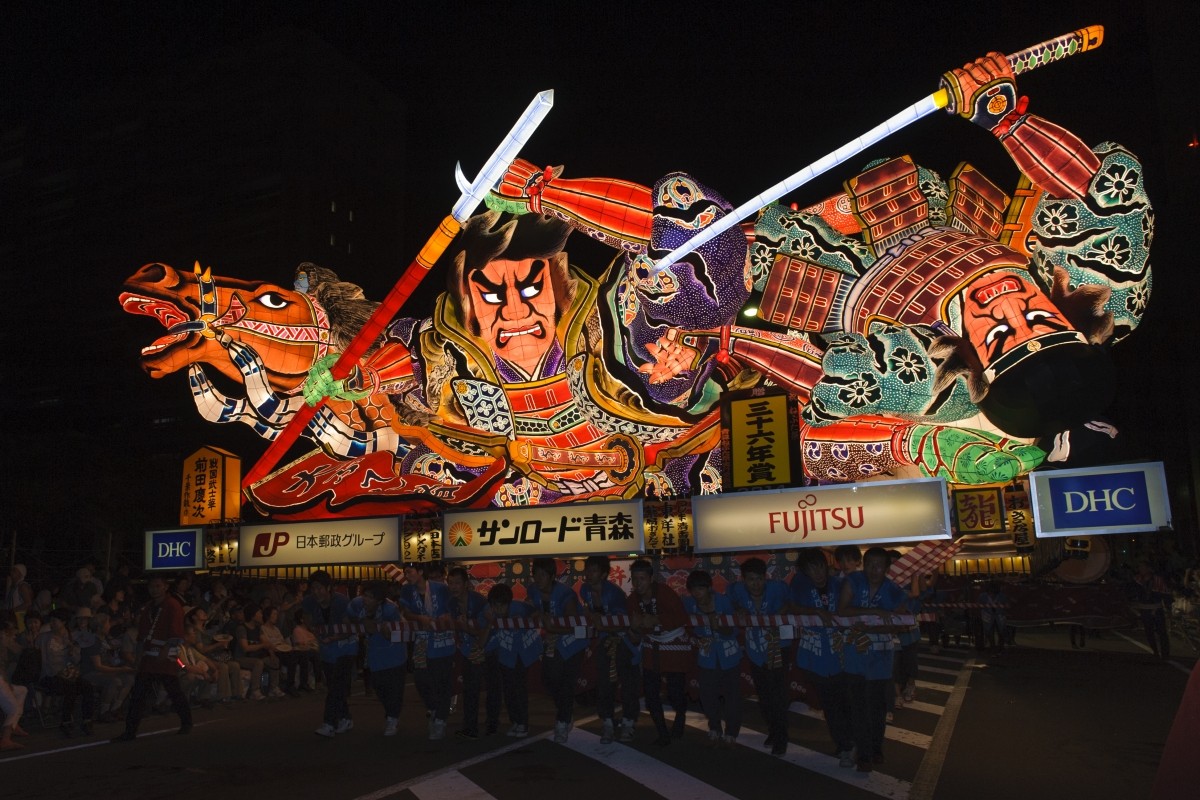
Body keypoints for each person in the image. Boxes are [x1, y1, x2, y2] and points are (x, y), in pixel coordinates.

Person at [839, 547, 910, 773]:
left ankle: (875, 748)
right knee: (858, 705)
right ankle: (865, 753)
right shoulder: (853, 581)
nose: (874, 570)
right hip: (855, 655)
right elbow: (842, 610)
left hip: (880, 656)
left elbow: (901, 622)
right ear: (864, 564)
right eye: (870, 564)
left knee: (877, 707)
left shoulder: (893, 590)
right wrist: (877, 614)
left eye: (879, 565)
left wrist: (873, 623)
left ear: (887, 568)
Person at [791, 547, 854, 768]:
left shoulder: (840, 585)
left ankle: (849, 742)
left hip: (844, 656)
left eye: (819, 566)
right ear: (804, 572)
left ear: (826, 566)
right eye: (811, 568)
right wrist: (816, 612)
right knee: (831, 706)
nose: (817, 572)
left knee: (847, 704)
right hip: (816, 658)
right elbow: (790, 608)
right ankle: (845, 746)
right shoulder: (800, 586)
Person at [111, 575, 191, 741]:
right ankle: (130, 731)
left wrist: (166, 650)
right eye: (151, 586)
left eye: (157, 586)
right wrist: (138, 658)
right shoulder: (148, 608)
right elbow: (142, 636)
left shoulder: (172, 606)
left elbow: (176, 632)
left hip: (165, 657)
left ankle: (187, 722)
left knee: (174, 691)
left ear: (165, 587)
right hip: (148, 658)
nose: (154, 589)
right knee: (139, 695)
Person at [728, 556, 792, 755]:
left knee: (777, 692)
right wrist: (738, 608)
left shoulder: (777, 588)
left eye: (759, 579)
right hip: (755, 646)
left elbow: (792, 603)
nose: (755, 584)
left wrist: (776, 615)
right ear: (743, 579)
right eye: (750, 579)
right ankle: (773, 730)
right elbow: (729, 599)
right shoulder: (736, 590)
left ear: (766, 577)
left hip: (775, 643)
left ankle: (781, 736)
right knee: (764, 694)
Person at [579, 555, 641, 744]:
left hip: (623, 641)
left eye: (594, 570)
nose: (589, 574)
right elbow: (590, 614)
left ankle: (629, 723)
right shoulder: (584, 590)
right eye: (587, 570)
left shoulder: (614, 594)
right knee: (604, 683)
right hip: (604, 642)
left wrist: (600, 623)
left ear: (604, 574)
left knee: (628, 684)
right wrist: (595, 620)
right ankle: (607, 722)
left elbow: (621, 624)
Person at [628, 558, 690, 746]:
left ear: (651, 578)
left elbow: (681, 617)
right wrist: (634, 628)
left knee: (675, 692)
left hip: (674, 643)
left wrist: (655, 619)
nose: (638, 583)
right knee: (651, 692)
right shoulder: (632, 600)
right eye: (635, 579)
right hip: (651, 645)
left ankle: (680, 717)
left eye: (642, 579)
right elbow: (634, 635)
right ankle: (662, 732)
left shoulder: (664, 592)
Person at [527, 557, 587, 743]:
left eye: (543, 574)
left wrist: (552, 627)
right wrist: (534, 613)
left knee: (567, 681)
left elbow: (574, 623)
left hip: (574, 640)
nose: (538, 578)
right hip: (553, 641)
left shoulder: (565, 594)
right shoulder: (532, 590)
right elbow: (528, 608)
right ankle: (566, 713)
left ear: (552, 576)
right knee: (549, 679)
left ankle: (562, 723)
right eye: (535, 574)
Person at [682, 569, 742, 747]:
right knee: (707, 696)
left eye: (700, 589)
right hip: (707, 656)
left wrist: (720, 628)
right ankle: (714, 726)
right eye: (693, 590)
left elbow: (734, 630)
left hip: (729, 655)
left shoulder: (723, 602)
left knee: (732, 697)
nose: (697, 594)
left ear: (709, 588)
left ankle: (732, 730)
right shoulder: (689, 604)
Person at [399, 564, 456, 739]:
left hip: (443, 639)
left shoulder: (440, 588)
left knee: (443, 681)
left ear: (420, 572)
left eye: (410, 572)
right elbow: (406, 612)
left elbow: (452, 608)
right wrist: (418, 618)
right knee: (421, 679)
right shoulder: (407, 590)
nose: (407, 575)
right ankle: (434, 710)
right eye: (405, 573)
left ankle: (440, 720)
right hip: (422, 640)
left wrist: (447, 617)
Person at [347, 582, 407, 736]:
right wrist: (361, 625)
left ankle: (392, 719)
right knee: (379, 687)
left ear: (380, 600)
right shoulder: (356, 604)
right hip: (374, 654)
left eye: (370, 597)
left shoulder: (390, 609)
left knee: (394, 689)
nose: (365, 599)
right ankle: (390, 714)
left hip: (394, 654)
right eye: (364, 595)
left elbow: (395, 632)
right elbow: (349, 618)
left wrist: (381, 628)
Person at [446, 566, 499, 739]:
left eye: (457, 583)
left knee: (492, 689)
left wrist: (465, 628)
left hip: (489, 648)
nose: (453, 587)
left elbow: (485, 630)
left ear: (466, 584)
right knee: (470, 690)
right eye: (451, 583)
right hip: (469, 649)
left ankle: (492, 726)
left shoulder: (478, 602)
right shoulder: (451, 603)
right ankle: (471, 728)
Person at [303, 570, 357, 737]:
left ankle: (329, 723)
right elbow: (308, 621)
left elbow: (351, 628)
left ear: (329, 588)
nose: (317, 592)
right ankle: (345, 718)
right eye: (314, 589)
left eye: (320, 588)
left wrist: (334, 637)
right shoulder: (309, 602)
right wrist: (317, 633)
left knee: (336, 685)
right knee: (335, 686)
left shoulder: (342, 603)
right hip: (327, 649)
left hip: (345, 648)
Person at [485, 583, 541, 739]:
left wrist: (528, 619)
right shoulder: (490, 613)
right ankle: (516, 720)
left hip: (522, 653)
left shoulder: (519, 609)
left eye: (501, 606)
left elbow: (537, 612)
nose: (498, 609)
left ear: (508, 603)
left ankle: (523, 723)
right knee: (509, 689)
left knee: (519, 688)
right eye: (494, 605)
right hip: (506, 654)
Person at [38, 607, 96, 736]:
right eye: (51, 621)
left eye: (55, 621)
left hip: (67, 673)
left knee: (87, 687)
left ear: (63, 622)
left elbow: (76, 659)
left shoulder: (71, 636)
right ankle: (66, 721)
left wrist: (72, 651)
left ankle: (87, 720)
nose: (52, 624)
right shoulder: (44, 637)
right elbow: (41, 659)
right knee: (70, 687)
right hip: (50, 675)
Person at [80, 611, 135, 723]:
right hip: (90, 672)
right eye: (107, 623)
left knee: (129, 679)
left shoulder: (104, 640)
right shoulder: (93, 642)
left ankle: (115, 709)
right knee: (114, 681)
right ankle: (103, 711)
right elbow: (98, 666)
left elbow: (110, 660)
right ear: (100, 627)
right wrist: (120, 669)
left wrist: (122, 666)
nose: (109, 626)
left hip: (104, 670)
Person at [184, 607, 242, 704]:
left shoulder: (204, 630)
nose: (204, 613)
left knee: (234, 665)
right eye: (201, 612)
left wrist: (220, 645)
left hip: (213, 656)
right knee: (223, 667)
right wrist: (218, 645)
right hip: (205, 659)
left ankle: (237, 693)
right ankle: (224, 696)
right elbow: (201, 650)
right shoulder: (196, 632)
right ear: (194, 617)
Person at [234, 603, 282, 699]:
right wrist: (263, 645)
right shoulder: (242, 628)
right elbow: (245, 648)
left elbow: (265, 641)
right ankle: (254, 690)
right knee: (258, 663)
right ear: (252, 615)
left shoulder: (258, 628)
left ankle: (273, 688)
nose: (261, 615)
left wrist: (271, 652)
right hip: (242, 657)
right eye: (259, 613)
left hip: (255, 656)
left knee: (274, 661)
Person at [1133, 562, 1172, 660]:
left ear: (1149, 569)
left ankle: (1165, 654)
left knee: (1162, 632)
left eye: (1143, 567)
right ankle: (1155, 651)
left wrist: (1168, 608)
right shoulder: (1137, 580)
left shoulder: (1157, 580)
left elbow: (1166, 594)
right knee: (1149, 632)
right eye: (1140, 567)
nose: (1141, 569)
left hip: (1156, 609)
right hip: (1144, 609)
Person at [0, 619, 30, 750]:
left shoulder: (4, 641)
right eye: (10, 629)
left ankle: (13, 724)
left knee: (21, 690)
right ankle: (5, 740)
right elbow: (19, 651)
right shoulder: (3, 640)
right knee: (13, 708)